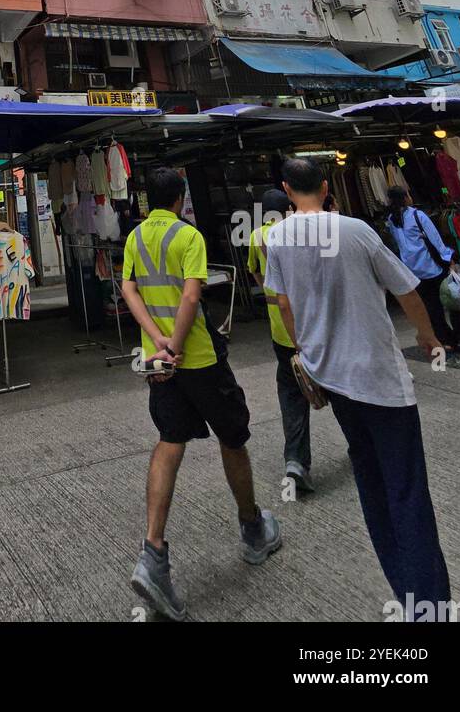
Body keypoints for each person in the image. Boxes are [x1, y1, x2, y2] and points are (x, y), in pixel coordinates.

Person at [265, 156, 451, 621]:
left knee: (371, 481)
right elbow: (405, 288)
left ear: (287, 189)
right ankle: (427, 605)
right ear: (327, 187)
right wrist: (428, 336)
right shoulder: (356, 231)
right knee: (406, 488)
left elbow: (283, 303)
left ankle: (407, 593)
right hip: (379, 380)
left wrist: (306, 349)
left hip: (333, 378)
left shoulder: (278, 237)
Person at [122, 167, 281, 622]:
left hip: (160, 362)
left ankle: (153, 552)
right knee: (233, 437)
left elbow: (128, 289)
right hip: (199, 359)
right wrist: (177, 339)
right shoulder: (187, 236)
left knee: (170, 440)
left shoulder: (135, 238)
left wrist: (157, 340)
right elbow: (192, 297)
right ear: (180, 197)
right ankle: (253, 529)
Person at [247, 188, 314, 493]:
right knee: (338, 388)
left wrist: (269, 292)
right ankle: (364, 445)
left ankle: (296, 460)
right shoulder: (302, 230)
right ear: (287, 207)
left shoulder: (256, 237)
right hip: (312, 321)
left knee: (291, 392)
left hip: (280, 327)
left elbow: (255, 273)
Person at [386, 187, 460, 353]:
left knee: (432, 307)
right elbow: (435, 240)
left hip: (414, 271)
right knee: (456, 300)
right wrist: (448, 259)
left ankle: (445, 340)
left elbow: (398, 244)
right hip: (433, 267)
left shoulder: (392, 219)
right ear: (405, 197)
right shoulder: (417, 215)